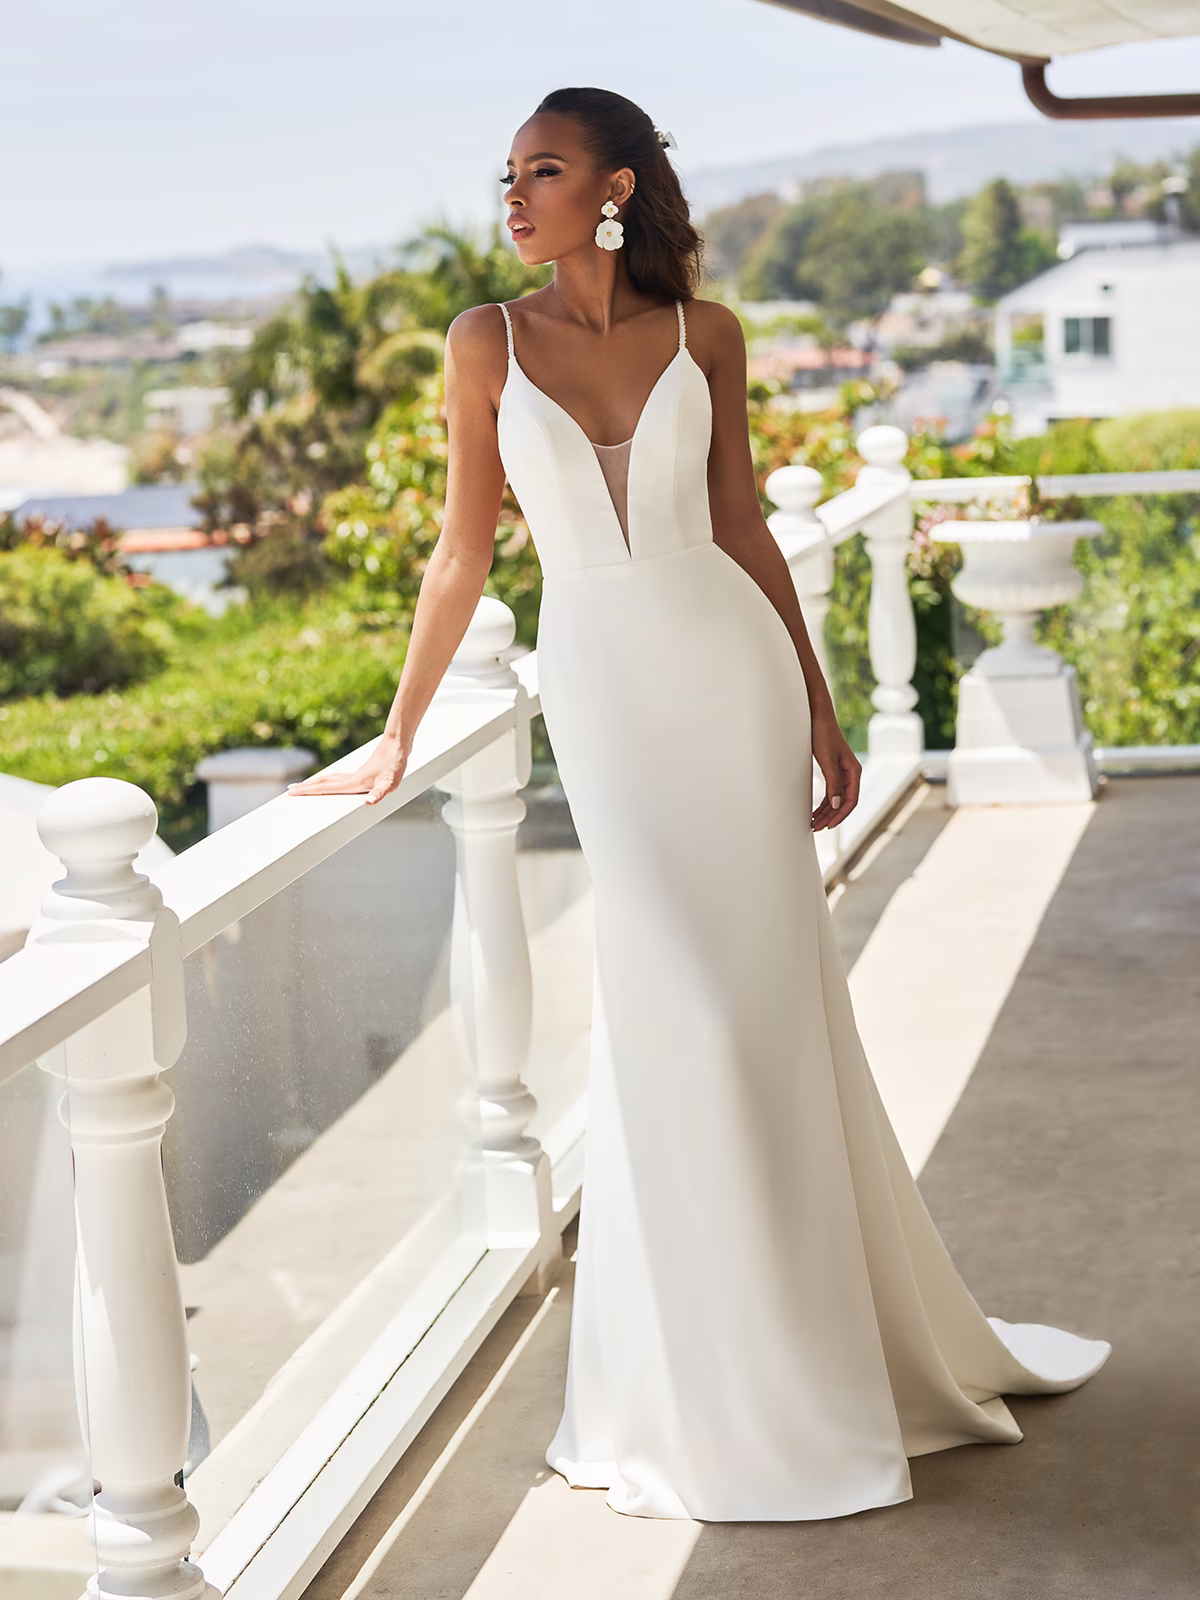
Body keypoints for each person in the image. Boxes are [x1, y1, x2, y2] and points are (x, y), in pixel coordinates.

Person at [287, 86, 1110, 1522]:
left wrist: (820, 701)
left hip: (727, 678)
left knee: (769, 1009)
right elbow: (460, 550)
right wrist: (398, 728)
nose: (514, 195)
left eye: (542, 171)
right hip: (605, 691)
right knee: (685, 1014)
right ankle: (705, 1376)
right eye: (508, 174)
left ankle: (807, 1352)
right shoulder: (483, 341)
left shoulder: (703, 336)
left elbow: (741, 527)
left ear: (612, 188)